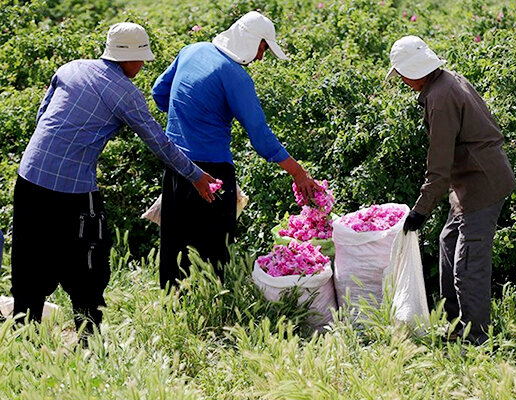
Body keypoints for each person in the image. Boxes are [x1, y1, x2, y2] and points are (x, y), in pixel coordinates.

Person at [12, 22, 216, 337]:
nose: (143, 65)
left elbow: (43, 116)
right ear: (130, 59)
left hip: (28, 177)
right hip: (72, 190)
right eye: (142, 59)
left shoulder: (71, 68)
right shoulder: (125, 93)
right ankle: (88, 343)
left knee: (28, 261)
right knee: (88, 263)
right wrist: (197, 176)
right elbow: (159, 143)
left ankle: (24, 341)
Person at [152, 11, 317, 289]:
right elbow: (261, 137)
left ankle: (172, 308)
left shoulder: (192, 50)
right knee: (215, 246)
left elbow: (159, 92)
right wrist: (298, 172)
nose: (261, 57)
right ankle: (213, 308)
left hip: (175, 162)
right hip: (212, 172)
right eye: (263, 48)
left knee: (175, 240)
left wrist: (188, 118)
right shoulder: (235, 76)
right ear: (252, 42)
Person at [387, 36, 515, 345]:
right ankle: (456, 325)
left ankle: (477, 339)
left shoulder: (440, 98)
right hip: (471, 182)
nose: (402, 81)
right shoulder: (446, 80)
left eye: (402, 74)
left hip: (480, 186)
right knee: (448, 243)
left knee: (467, 266)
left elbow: (439, 166)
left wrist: (421, 209)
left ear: (414, 72)